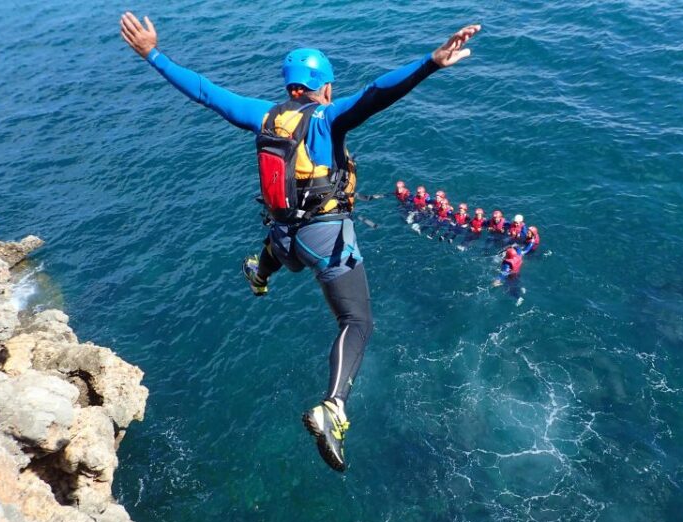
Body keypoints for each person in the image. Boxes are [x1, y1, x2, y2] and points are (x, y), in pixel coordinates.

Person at [119, 12, 480, 472]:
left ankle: (259, 270)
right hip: (325, 241)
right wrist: (430, 62)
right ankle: (333, 406)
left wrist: (153, 53)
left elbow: (205, 91)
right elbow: (376, 93)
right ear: (325, 87)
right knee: (357, 321)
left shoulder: (262, 115)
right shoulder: (327, 119)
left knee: (280, 253)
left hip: (284, 237)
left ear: (289, 87)